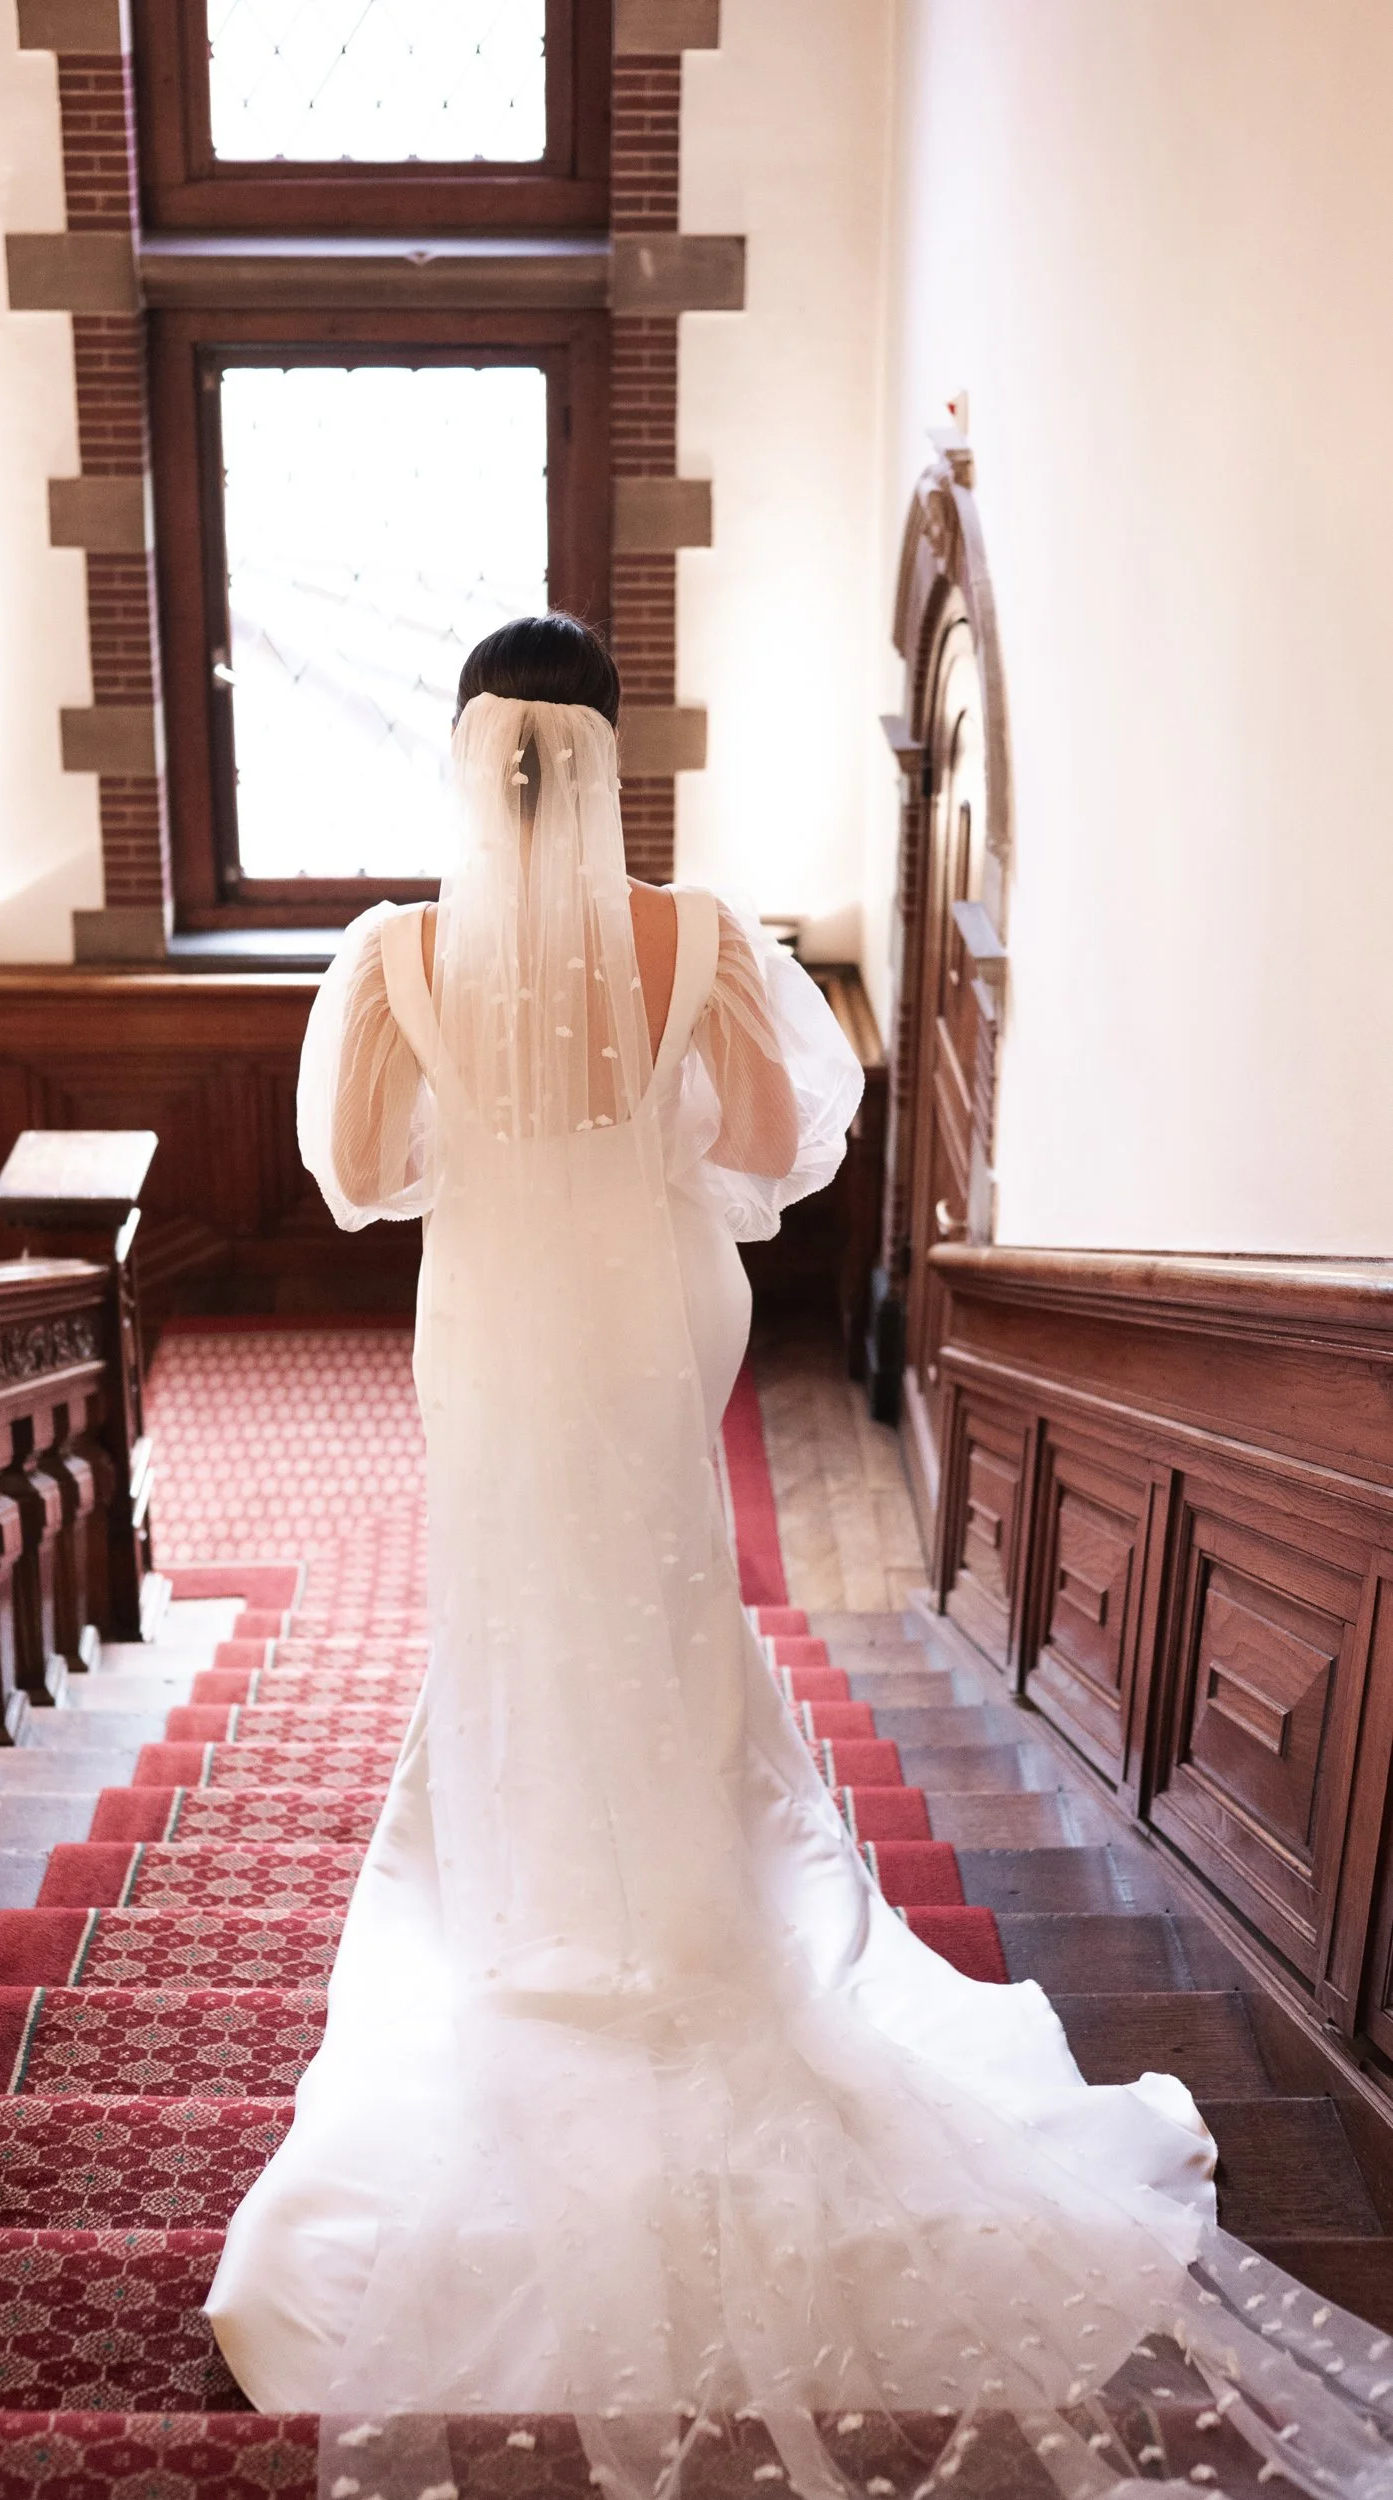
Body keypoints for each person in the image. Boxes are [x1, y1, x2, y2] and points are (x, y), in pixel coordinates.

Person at [209, 616, 1393, 2500]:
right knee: (662, 1580)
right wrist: (638, 1128)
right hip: (649, 1308)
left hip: (496, 1315)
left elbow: (365, 1169)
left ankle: (540, 1911)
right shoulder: (696, 934)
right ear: (610, 759)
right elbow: (772, 1141)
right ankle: (690, 1916)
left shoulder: (389, 952)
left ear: (466, 758)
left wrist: (504, 1121)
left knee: (517, 1594)